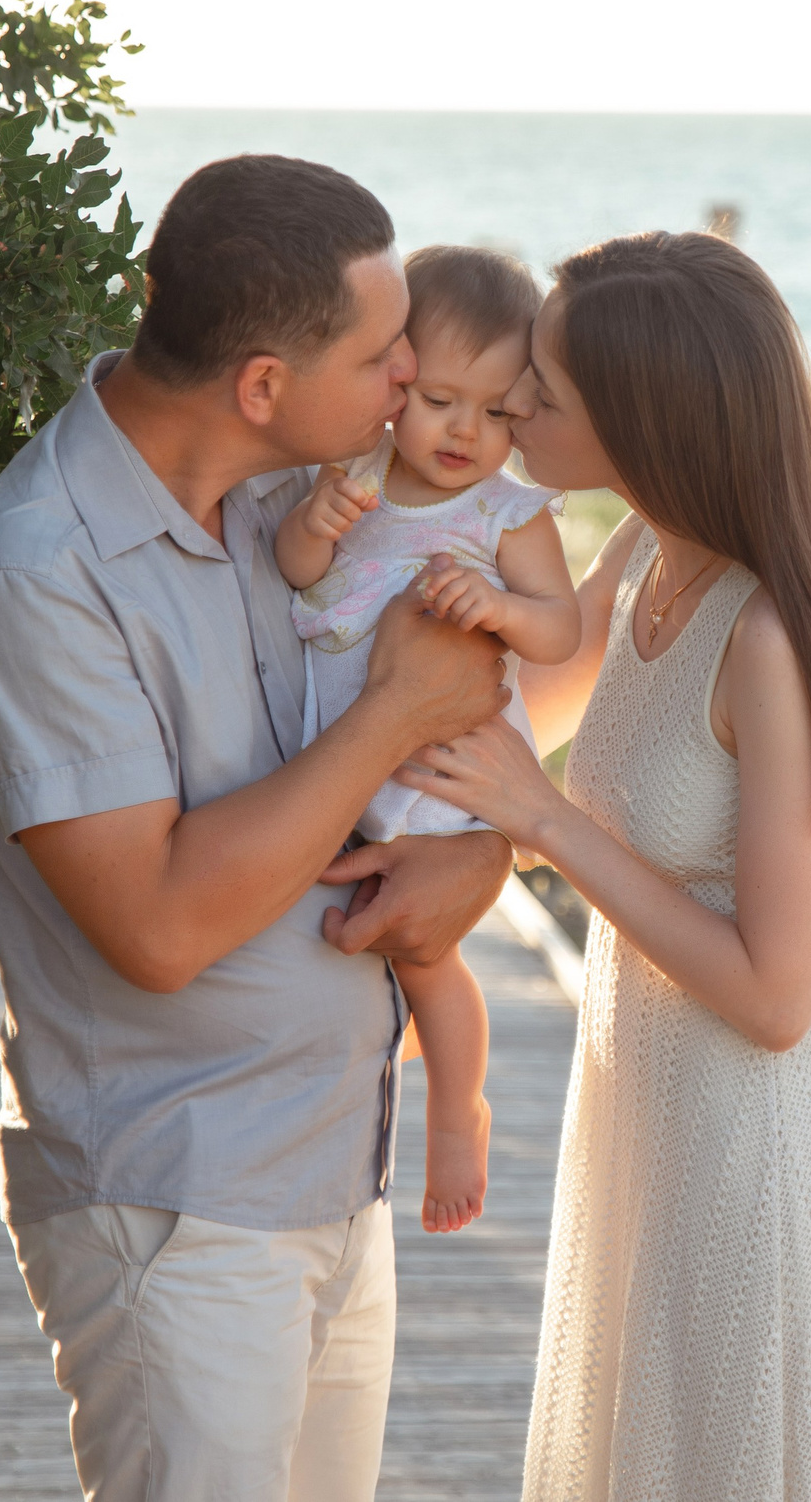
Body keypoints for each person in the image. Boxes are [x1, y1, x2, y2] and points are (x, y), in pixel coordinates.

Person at [0, 154, 514, 1502]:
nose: (410, 379)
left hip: (331, 1165)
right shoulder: (33, 574)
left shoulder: (283, 515)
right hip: (181, 1208)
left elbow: (417, 765)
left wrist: (479, 853)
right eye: (381, 356)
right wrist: (394, 708)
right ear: (261, 384)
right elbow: (162, 924)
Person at [396, 229, 811, 1500]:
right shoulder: (640, 559)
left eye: (544, 391)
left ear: (647, 421)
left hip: (762, 1136)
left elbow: (777, 997)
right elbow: (510, 718)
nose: (513, 402)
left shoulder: (772, 638)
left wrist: (548, 826)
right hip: (651, 1101)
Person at [276, 243, 579, 1234]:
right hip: (335, 745)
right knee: (333, 927)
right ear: (396, 378)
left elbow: (559, 627)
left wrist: (496, 605)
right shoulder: (350, 473)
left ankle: (457, 1111)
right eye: (445, 398)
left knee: (428, 951)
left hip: (442, 769)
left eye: (499, 411)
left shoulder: (504, 510)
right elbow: (294, 569)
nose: (468, 430)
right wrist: (315, 523)